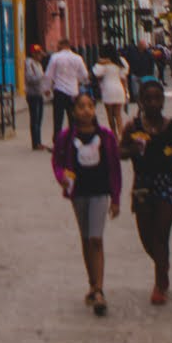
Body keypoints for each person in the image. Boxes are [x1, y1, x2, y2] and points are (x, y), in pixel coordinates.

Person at [50, 90, 122, 315]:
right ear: (73, 111)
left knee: (95, 238)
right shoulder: (66, 137)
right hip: (79, 193)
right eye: (81, 107)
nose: (86, 110)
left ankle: (99, 289)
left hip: (100, 192)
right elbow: (57, 161)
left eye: (90, 106)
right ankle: (92, 283)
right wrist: (62, 176)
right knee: (85, 238)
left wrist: (116, 197)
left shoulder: (107, 136)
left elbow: (114, 168)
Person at [121, 76, 172, 303]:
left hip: (166, 183)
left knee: (161, 233)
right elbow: (120, 153)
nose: (152, 103)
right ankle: (163, 264)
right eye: (148, 99)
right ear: (140, 101)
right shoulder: (132, 127)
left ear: (163, 101)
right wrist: (133, 148)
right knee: (146, 236)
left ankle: (160, 284)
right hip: (142, 184)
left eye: (157, 98)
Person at [44, 38, 90, 139]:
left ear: (61, 45)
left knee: (58, 119)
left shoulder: (55, 57)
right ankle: (73, 139)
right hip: (73, 92)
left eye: (58, 45)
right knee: (73, 118)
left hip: (59, 91)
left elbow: (48, 74)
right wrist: (79, 81)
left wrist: (47, 88)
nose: (56, 47)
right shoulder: (77, 58)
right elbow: (84, 75)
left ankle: (57, 141)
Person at [24, 46, 49, 150]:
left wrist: (45, 90)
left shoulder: (38, 64)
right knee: (35, 119)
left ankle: (39, 141)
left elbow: (41, 80)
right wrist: (42, 77)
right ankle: (35, 143)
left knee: (39, 119)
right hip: (32, 94)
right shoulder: (29, 63)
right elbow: (30, 78)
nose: (40, 56)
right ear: (34, 54)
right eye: (38, 54)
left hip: (39, 94)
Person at [92, 48, 127, 116]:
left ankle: (112, 127)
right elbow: (123, 77)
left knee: (110, 114)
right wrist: (126, 90)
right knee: (118, 114)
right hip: (119, 88)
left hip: (107, 89)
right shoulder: (120, 62)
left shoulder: (102, 64)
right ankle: (120, 126)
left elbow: (97, 74)